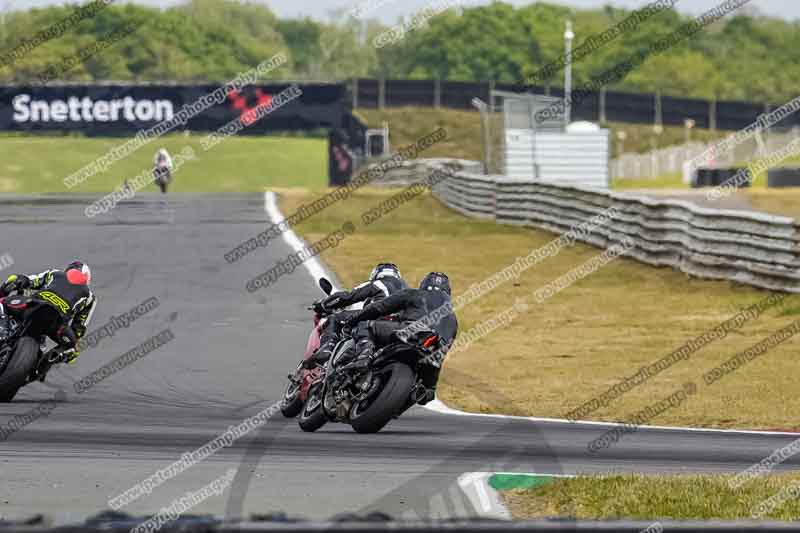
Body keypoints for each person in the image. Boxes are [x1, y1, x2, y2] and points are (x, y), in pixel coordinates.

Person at [342, 272, 458, 404]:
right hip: (431, 355)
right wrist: (430, 385)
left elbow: (379, 307)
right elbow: (442, 352)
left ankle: (364, 356)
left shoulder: (414, 294)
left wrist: (352, 320)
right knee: (426, 393)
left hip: (409, 332)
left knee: (365, 326)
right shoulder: (453, 319)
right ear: (448, 292)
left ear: (424, 284)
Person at [306, 263, 407, 367]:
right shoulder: (407, 288)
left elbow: (349, 297)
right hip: (400, 327)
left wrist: (323, 305)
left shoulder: (378, 283)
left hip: (376, 321)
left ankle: (327, 349)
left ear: (376, 274)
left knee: (334, 319)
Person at [0, 261, 97, 364]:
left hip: (34, 305)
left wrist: (10, 286)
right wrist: (72, 345)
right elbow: (79, 329)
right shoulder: (90, 297)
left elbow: (30, 280)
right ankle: (53, 357)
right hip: (57, 323)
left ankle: (3, 331)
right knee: (73, 349)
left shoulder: (55, 273)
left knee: (2, 301)